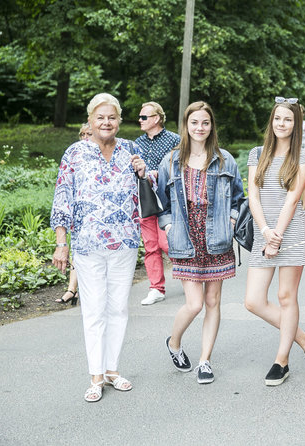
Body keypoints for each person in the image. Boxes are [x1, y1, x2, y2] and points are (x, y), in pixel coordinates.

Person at [51, 93, 149, 402]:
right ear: (91, 121)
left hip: (125, 242)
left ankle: (112, 370)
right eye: (100, 117)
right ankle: (95, 376)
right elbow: (62, 198)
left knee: (118, 307)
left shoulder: (130, 150)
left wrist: (145, 172)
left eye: (112, 117)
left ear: (120, 121)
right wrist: (61, 243)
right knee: (93, 310)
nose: (106, 122)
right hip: (88, 244)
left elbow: (151, 189)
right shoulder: (75, 153)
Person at [157, 101, 244, 385]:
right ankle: (174, 342)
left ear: (211, 126)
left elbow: (239, 198)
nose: (200, 128)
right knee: (194, 304)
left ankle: (205, 361)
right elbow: (161, 203)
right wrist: (168, 226)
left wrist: (231, 222)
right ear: (186, 125)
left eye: (205, 123)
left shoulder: (225, 160)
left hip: (217, 236)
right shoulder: (170, 161)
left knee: (212, 301)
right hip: (185, 236)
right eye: (194, 122)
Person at [244, 96, 305, 386]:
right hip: (264, 231)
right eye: (278, 118)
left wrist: (276, 236)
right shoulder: (257, 154)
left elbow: (292, 199)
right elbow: (253, 195)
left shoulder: (303, 157)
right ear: (272, 121)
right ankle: (303, 337)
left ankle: (282, 360)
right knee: (253, 301)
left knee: (286, 297)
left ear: (296, 123)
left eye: (288, 119)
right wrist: (265, 231)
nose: (282, 123)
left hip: (291, 233)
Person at [135, 102, 182, 306]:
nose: (140, 120)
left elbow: (182, 167)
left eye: (144, 117)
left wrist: (160, 173)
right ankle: (156, 288)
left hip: (167, 199)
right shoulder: (137, 143)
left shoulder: (175, 140)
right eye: (140, 117)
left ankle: (190, 272)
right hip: (144, 198)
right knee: (151, 245)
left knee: (166, 242)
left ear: (156, 119)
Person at [55, 123, 93, 306]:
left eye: (89, 134)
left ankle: (75, 290)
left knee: (85, 255)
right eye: (82, 134)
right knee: (77, 253)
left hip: (94, 218)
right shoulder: (74, 155)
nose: (85, 137)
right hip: (77, 214)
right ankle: (72, 290)